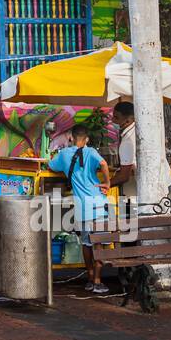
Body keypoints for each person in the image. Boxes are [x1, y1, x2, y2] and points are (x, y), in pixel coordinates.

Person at [48, 124, 111, 293]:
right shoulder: (91, 152)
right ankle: (98, 281)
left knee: (86, 243)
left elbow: (50, 166)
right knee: (99, 245)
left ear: (71, 138)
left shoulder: (64, 154)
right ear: (87, 139)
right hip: (98, 204)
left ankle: (90, 279)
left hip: (82, 207)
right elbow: (104, 164)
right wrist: (107, 182)